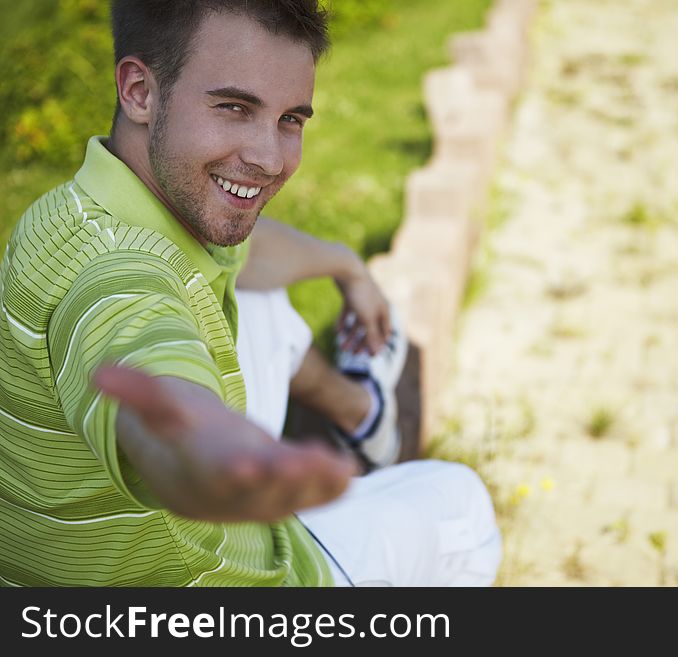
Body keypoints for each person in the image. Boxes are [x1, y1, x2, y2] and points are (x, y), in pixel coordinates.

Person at [0, 0, 501, 587]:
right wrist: (210, 460)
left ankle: (363, 413)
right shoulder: (113, 280)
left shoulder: (84, 209)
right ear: (139, 90)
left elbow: (249, 251)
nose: (268, 159)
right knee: (460, 502)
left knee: (259, 300)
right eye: (234, 108)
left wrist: (347, 269)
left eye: (291, 119)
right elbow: (148, 364)